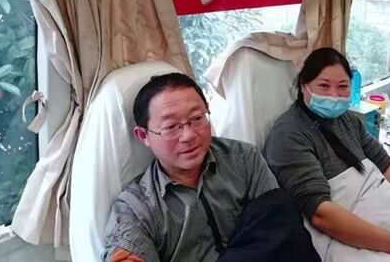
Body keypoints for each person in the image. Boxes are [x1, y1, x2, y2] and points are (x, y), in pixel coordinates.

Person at [264, 48, 390, 262]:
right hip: (344, 234)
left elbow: (387, 165)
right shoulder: (289, 134)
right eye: (323, 85)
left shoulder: (349, 120)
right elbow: (321, 213)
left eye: (343, 86)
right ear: (304, 85)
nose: (334, 95)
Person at [103, 72, 320, 262]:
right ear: (144, 135)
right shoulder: (137, 206)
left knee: (280, 203)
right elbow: (126, 254)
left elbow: (283, 232)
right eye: (171, 127)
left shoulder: (244, 159)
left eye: (197, 118)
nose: (189, 135)